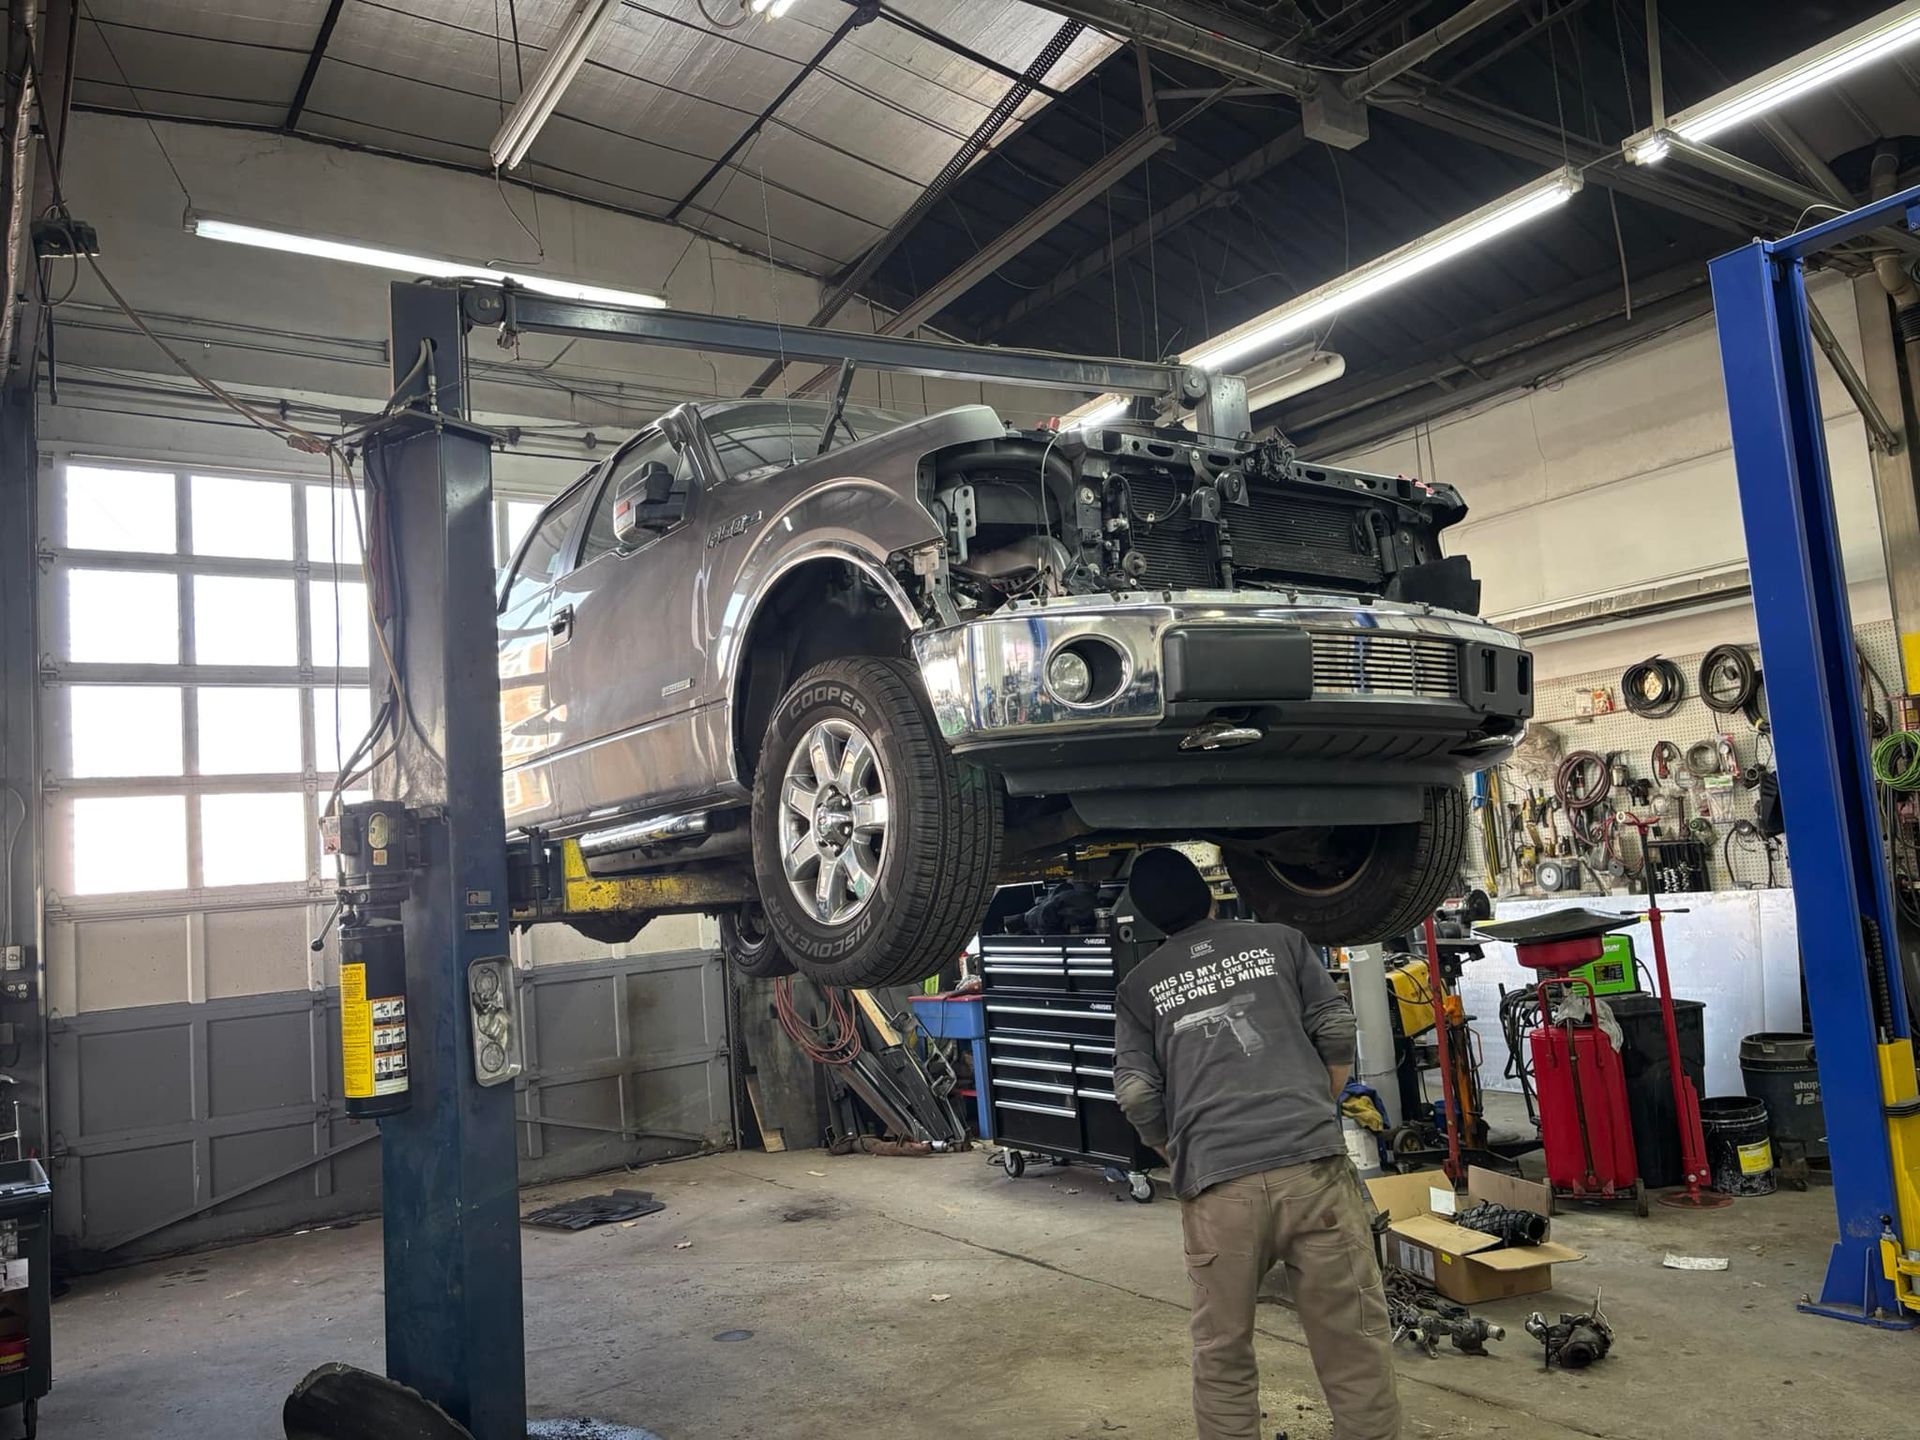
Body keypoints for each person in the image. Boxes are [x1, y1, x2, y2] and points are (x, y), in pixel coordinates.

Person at [1113, 847, 1400, 1440]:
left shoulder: (1139, 987)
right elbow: (1337, 1027)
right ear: (1210, 891)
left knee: (1222, 1354)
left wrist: (1176, 1150)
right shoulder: (1282, 941)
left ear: (1145, 920)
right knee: (1354, 1344)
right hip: (1314, 1170)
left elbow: (1138, 1095)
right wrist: (1317, 1106)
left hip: (1218, 1189)